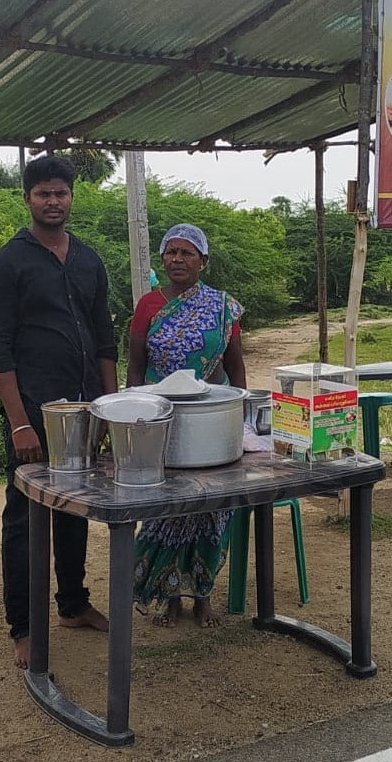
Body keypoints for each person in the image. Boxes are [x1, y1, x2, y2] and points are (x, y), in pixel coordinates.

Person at [0, 154, 118, 668]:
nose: (53, 202)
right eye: (43, 194)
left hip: (85, 411)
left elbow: (105, 340)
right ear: (28, 198)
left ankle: (73, 604)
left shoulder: (88, 260)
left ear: (71, 197)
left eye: (61, 193)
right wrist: (18, 421)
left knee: (76, 506)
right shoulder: (7, 264)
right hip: (33, 415)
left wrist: (109, 409)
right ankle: (23, 625)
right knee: (24, 517)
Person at [126, 223, 246, 628]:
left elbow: (235, 366)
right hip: (162, 420)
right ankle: (169, 594)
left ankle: (203, 594)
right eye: (171, 252)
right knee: (166, 507)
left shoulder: (223, 306)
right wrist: (131, 420)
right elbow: (136, 367)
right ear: (162, 260)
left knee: (212, 508)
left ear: (203, 262)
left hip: (210, 419)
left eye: (187, 253)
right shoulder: (147, 306)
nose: (178, 259)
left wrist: (240, 419)